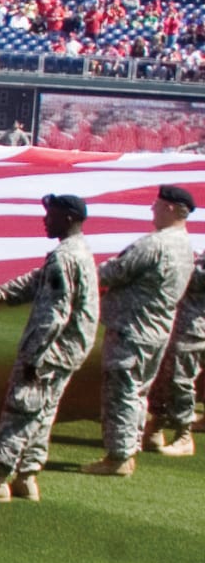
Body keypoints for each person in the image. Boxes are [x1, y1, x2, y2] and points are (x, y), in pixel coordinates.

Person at [0, 194, 100, 502]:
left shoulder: (64, 257)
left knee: (21, 409)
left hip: (51, 351)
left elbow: (54, 314)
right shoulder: (78, 251)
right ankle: (27, 476)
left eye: (52, 214)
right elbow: (36, 282)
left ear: (69, 218)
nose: (45, 220)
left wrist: (34, 356)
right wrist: (0, 293)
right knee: (43, 412)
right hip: (70, 350)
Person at [85, 185, 195, 476]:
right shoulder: (186, 246)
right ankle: (127, 449)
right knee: (137, 392)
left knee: (122, 392)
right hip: (157, 329)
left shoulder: (154, 244)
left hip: (132, 329)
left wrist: (81, 271)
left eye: (156, 205)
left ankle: (118, 458)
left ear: (170, 208)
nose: (152, 210)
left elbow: (114, 272)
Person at [146, 248, 205, 457]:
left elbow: (197, 278)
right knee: (163, 375)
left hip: (193, 326)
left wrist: (183, 262)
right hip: (179, 322)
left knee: (180, 379)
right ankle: (156, 426)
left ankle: (183, 435)